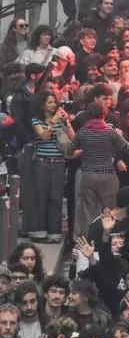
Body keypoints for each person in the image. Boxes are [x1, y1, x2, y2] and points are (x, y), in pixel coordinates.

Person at [70, 101, 129, 239]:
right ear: (104, 114)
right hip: (108, 176)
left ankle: (90, 243)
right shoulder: (110, 132)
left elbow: (70, 151)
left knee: (88, 212)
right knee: (109, 212)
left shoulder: (82, 132)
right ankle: (108, 241)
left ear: (88, 115)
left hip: (88, 175)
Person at [29, 90, 75, 242]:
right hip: (42, 162)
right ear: (42, 105)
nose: (53, 104)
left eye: (54, 102)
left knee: (56, 197)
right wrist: (53, 121)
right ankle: (39, 231)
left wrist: (67, 122)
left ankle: (54, 232)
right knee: (41, 196)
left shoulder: (60, 120)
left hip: (59, 163)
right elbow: (44, 136)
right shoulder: (37, 120)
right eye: (49, 102)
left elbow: (73, 139)